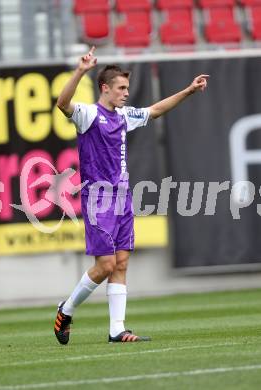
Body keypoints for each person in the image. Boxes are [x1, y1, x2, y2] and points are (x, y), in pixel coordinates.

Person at [54, 46, 209, 344]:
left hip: (123, 197)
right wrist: (80, 71)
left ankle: (117, 329)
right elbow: (62, 103)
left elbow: (156, 110)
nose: (126, 93)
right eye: (121, 88)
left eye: (127, 87)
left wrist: (189, 90)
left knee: (121, 262)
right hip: (98, 199)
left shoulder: (125, 116)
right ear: (105, 89)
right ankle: (66, 309)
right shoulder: (88, 114)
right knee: (106, 265)